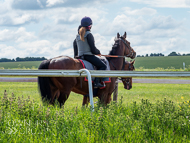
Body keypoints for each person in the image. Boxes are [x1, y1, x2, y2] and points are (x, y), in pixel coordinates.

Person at [73, 16, 106, 88]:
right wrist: (98, 52)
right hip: (88, 57)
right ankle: (97, 82)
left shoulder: (77, 36)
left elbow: (75, 50)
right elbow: (93, 50)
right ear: (90, 26)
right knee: (103, 66)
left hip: (80, 57)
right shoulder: (89, 35)